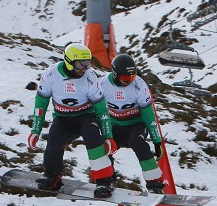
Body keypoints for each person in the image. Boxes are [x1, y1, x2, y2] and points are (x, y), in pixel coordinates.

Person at [27, 42, 116, 197]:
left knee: (93, 137)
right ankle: (52, 176)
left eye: (87, 64)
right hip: (63, 118)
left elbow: (101, 109)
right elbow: (41, 103)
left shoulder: (90, 77)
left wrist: (108, 136)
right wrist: (35, 130)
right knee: (54, 139)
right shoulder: (50, 74)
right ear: (68, 61)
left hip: (85, 116)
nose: (84, 69)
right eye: (80, 65)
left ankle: (105, 181)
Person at [101, 54, 166, 193]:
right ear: (114, 74)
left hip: (136, 123)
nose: (128, 82)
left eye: (132, 77)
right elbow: (96, 108)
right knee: (103, 148)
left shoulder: (139, 85)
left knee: (138, 143)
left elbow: (149, 114)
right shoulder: (102, 84)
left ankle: (154, 183)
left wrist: (157, 141)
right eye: (125, 78)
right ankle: (106, 181)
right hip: (115, 123)